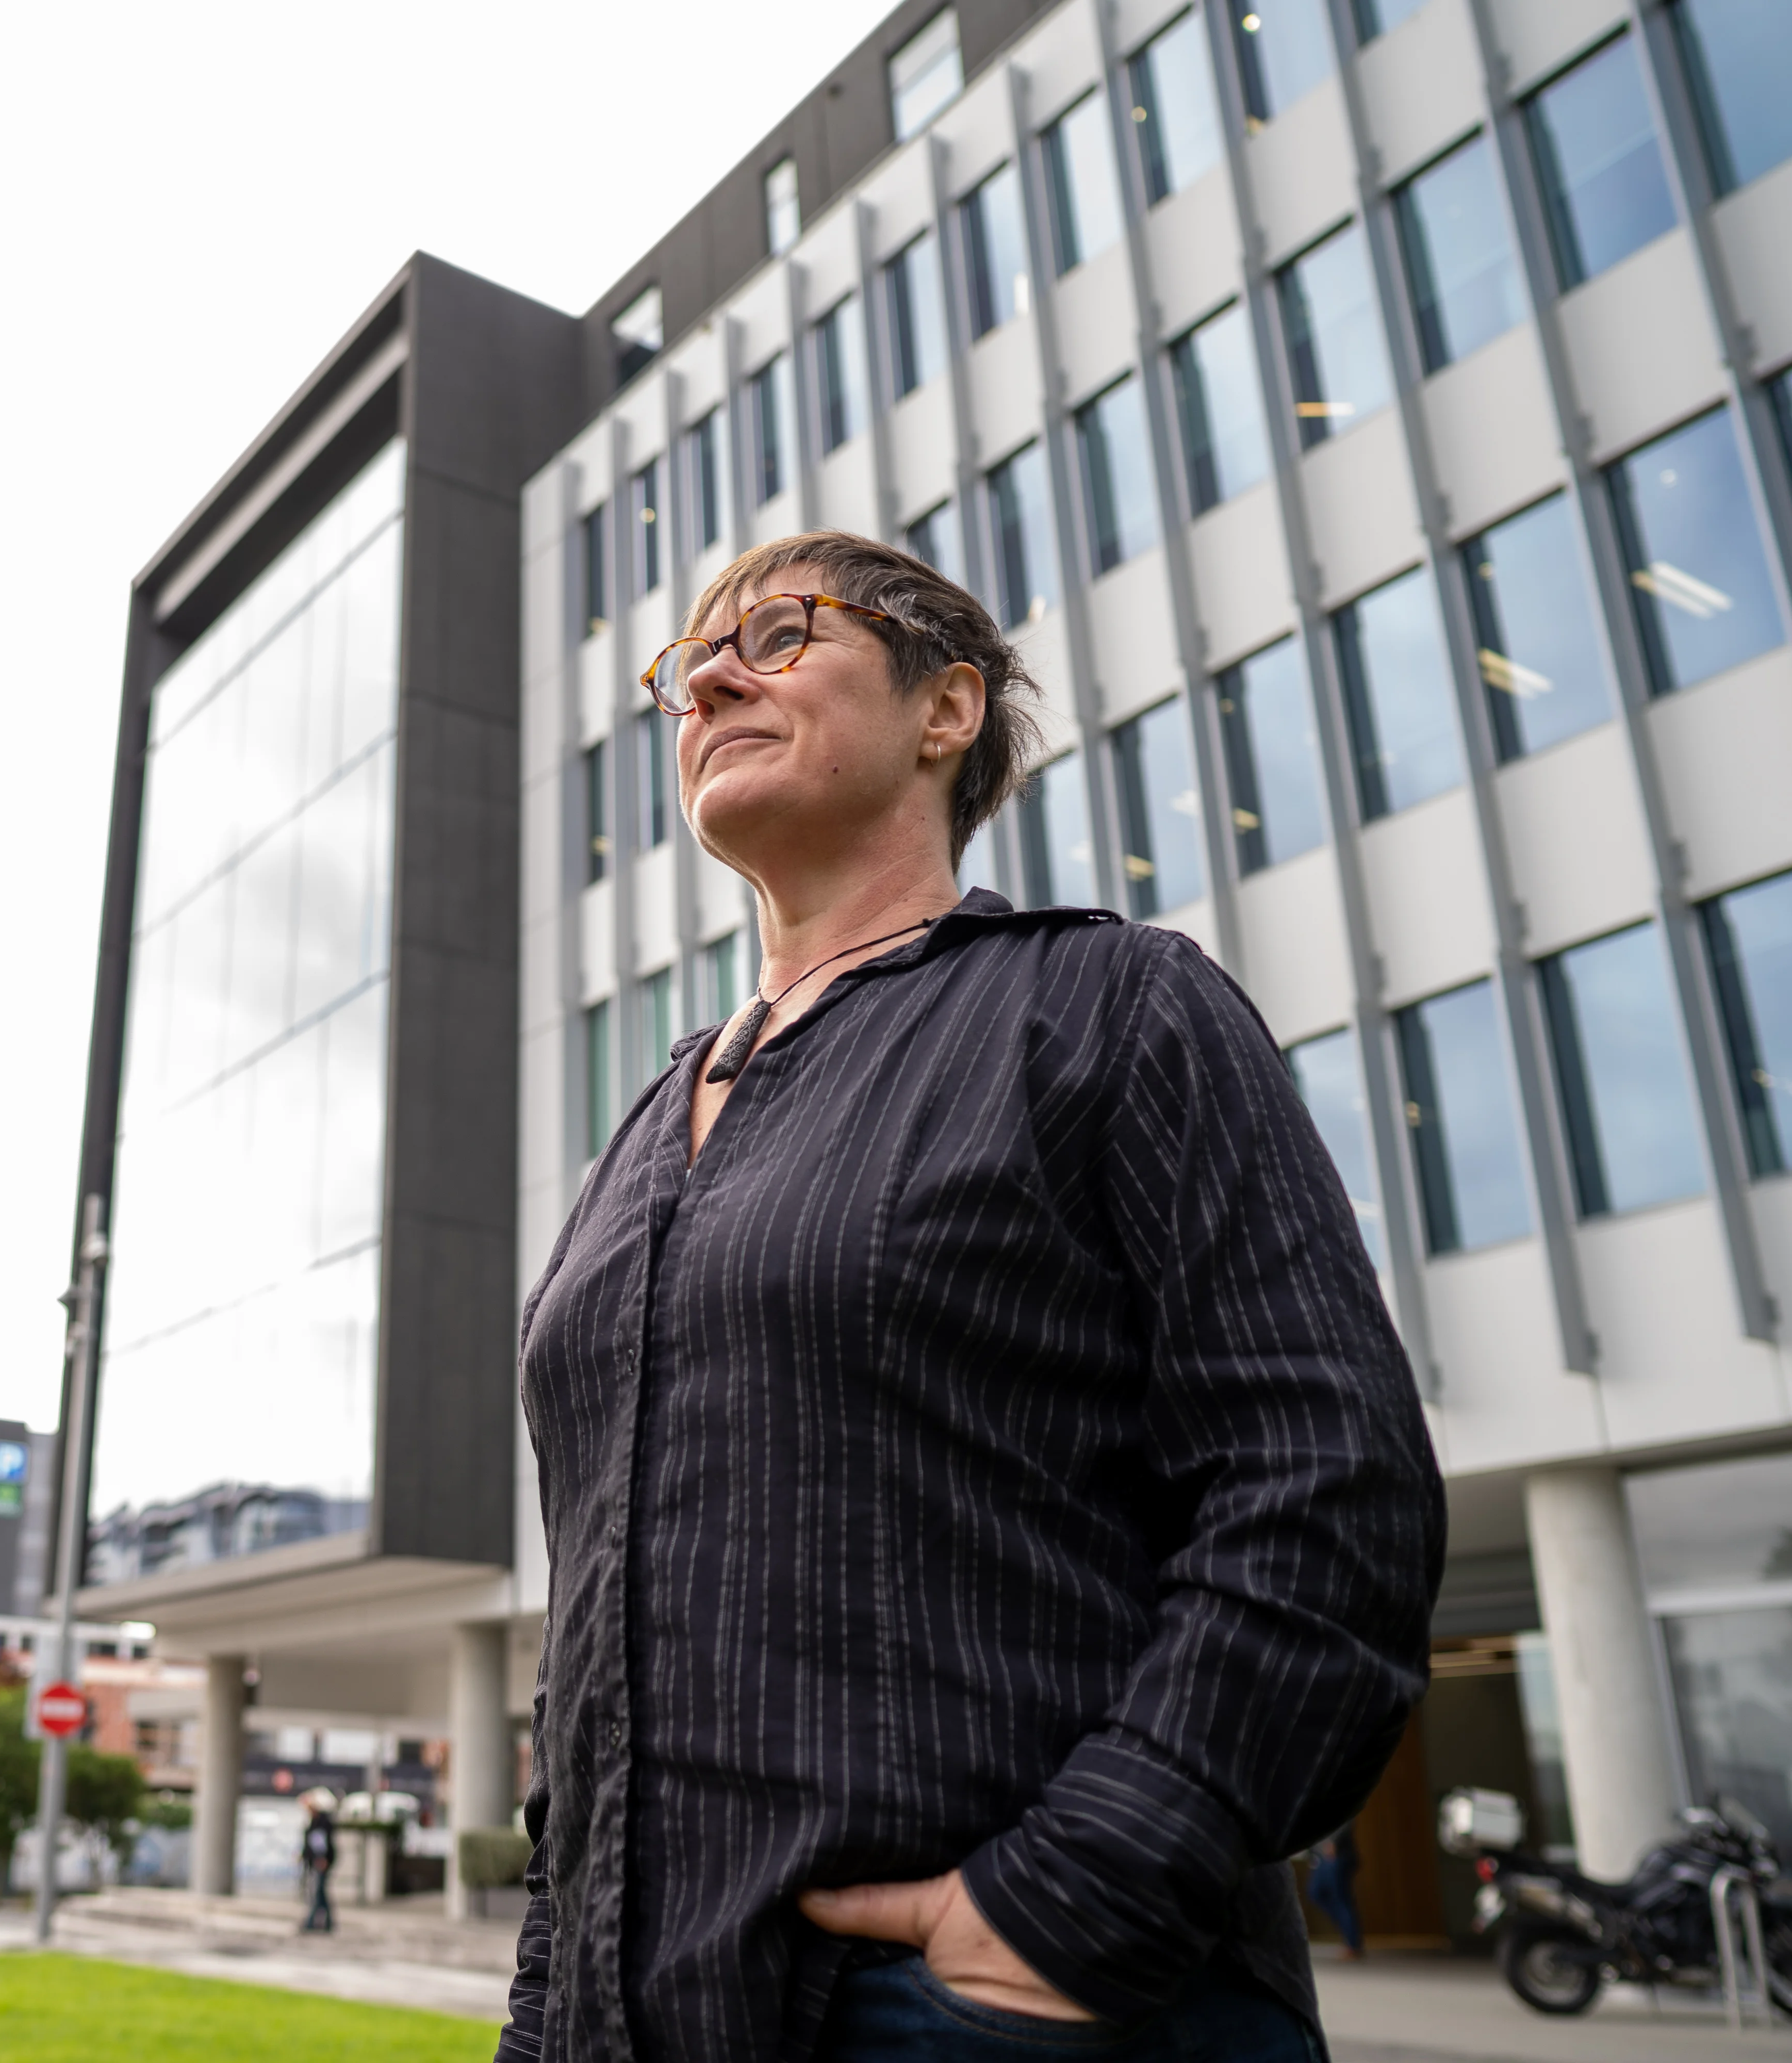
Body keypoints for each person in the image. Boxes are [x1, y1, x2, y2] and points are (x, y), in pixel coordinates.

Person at [497, 534, 1443, 2063]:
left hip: (999, 2005)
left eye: (780, 633)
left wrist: (1078, 1895)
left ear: (946, 709)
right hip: (625, 2016)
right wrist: (546, 1991)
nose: (712, 679)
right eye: (687, 667)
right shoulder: (638, 1131)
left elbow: (1324, 1488)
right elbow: (591, 1638)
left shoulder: (1109, 1001)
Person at [1308, 1823, 1367, 1960]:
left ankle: (1353, 1944)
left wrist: (1333, 1842)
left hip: (1336, 1853)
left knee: (1341, 1898)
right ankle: (1350, 1935)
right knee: (1316, 1893)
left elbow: (1346, 1818)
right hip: (1320, 1856)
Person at [299, 1789, 339, 1934]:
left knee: (318, 1893)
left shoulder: (321, 1822)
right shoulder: (316, 1821)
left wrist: (321, 1858)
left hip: (320, 1861)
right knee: (321, 1893)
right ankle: (329, 1923)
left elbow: (320, 1843)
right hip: (316, 1860)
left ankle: (311, 1923)